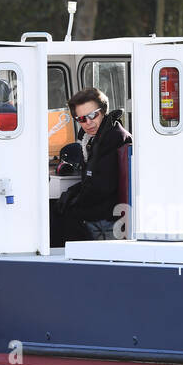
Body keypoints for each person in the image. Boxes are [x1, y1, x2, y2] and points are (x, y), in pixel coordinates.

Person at [50, 87, 131, 246]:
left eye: (93, 115)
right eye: (81, 119)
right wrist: (71, 194)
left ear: (104, 111)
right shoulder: (94, 139)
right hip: (101, 209)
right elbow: (92, 180)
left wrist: (71, 201)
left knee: (55, 216)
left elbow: (101, 187)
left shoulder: (113, 138)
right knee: (54, 208)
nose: (88, 123)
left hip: (107, 217)